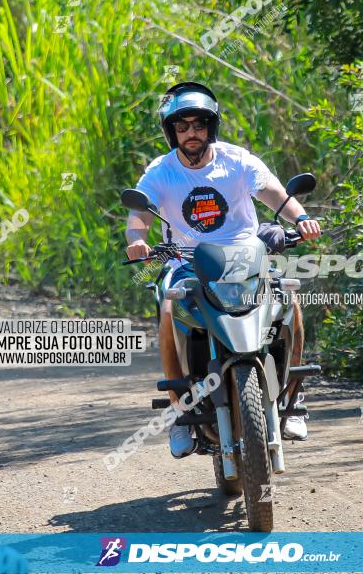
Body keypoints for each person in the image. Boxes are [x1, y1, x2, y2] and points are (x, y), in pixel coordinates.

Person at [125, 81, 321, 458]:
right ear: (172, 133)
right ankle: (179, 410)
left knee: (289, 299)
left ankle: (294, 400)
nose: (191, 134)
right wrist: (137, 240)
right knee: (169, 308)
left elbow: (276, 195)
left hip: (245, 257)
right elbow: (139, 213)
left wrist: (302, 219)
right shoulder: (161, 171)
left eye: (198, 125)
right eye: (182, 128)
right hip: (187, 262)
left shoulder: (237, 160)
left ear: (210, 127)